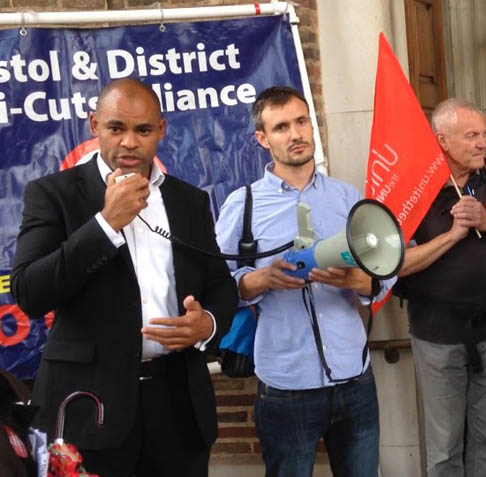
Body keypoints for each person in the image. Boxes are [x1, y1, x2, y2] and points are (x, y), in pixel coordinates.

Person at [11, 78, 238, 477]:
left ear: (162, 130)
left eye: (143, 130)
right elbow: (30, 292)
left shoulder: (189, 200)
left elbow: (220, 283)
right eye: (116, 128)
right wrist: (105, 225)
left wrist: (208, 324)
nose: (130, 142)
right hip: (87, 410)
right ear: (93, 124)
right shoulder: (52, 194)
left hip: (177, 406)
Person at [214, 86, 392, 477]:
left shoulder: (346, 198)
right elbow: (216, 285)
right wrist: (261, 280)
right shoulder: (242, 205)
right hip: (285, 387)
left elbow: (384, 272)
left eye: (300, 121)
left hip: (354, 379)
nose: (295, 134)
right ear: (262, 139)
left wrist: (356, 280)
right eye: (281, 127)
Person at [395, 98, 486, 476]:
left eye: (483, 134)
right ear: (442, 140)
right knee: (444, 445)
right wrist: (453, 236)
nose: (481, 143)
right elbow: (396, 265)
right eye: (471, 136)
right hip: (438, 333)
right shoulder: (413, 184)